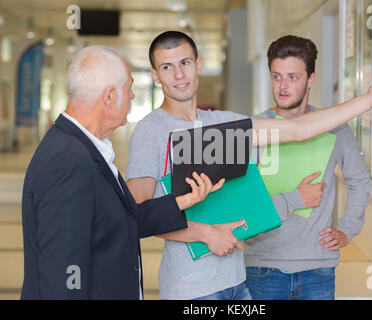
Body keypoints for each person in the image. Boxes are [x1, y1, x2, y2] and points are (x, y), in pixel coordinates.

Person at [125, 31, 372, 300]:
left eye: (185, 63)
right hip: (192, 287)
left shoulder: (224, 125)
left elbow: (297, 129)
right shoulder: (151, 131)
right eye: (167, 67)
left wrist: (368, 100)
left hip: (236, 281)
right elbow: (139, 212)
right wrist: (206, 233)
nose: (179, 75)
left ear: (198, 64)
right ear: (155, 75)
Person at [20, 45, 223, 300]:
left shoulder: (85, 148)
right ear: (109, 97)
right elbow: (63, 274)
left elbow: (120, 219)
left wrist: (184, 200)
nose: (132, 96)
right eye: (128, 88)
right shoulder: (68, 161)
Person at [244, 35, 372, 300]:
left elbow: (359, 180)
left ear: (310, 79)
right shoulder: (254, 129)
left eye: (293, 77)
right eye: (276, 76)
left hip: (318, 268)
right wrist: (295, 198)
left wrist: (347, 229)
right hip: (263, 266)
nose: (282, 86)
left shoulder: (334, 125)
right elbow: (243, 201)